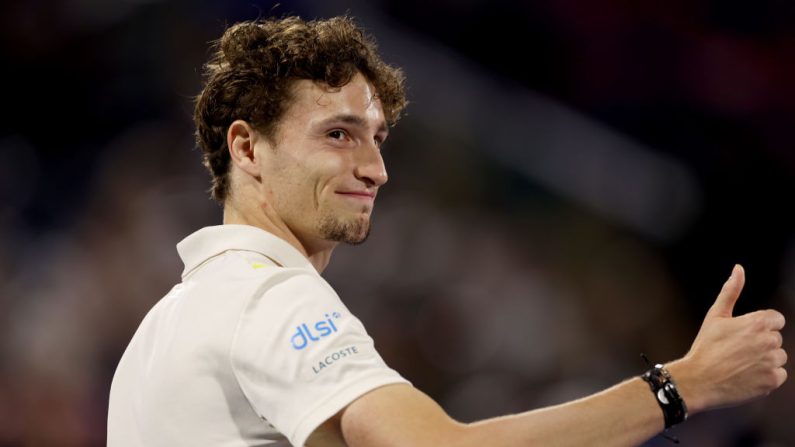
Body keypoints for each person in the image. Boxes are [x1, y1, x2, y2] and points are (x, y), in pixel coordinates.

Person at [107, 15, 787, 447]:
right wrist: (681, 385)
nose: (372, 167)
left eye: (376, 139)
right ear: (247, 148)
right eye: (337, 135)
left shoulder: (154, 337)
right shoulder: (271, 298)